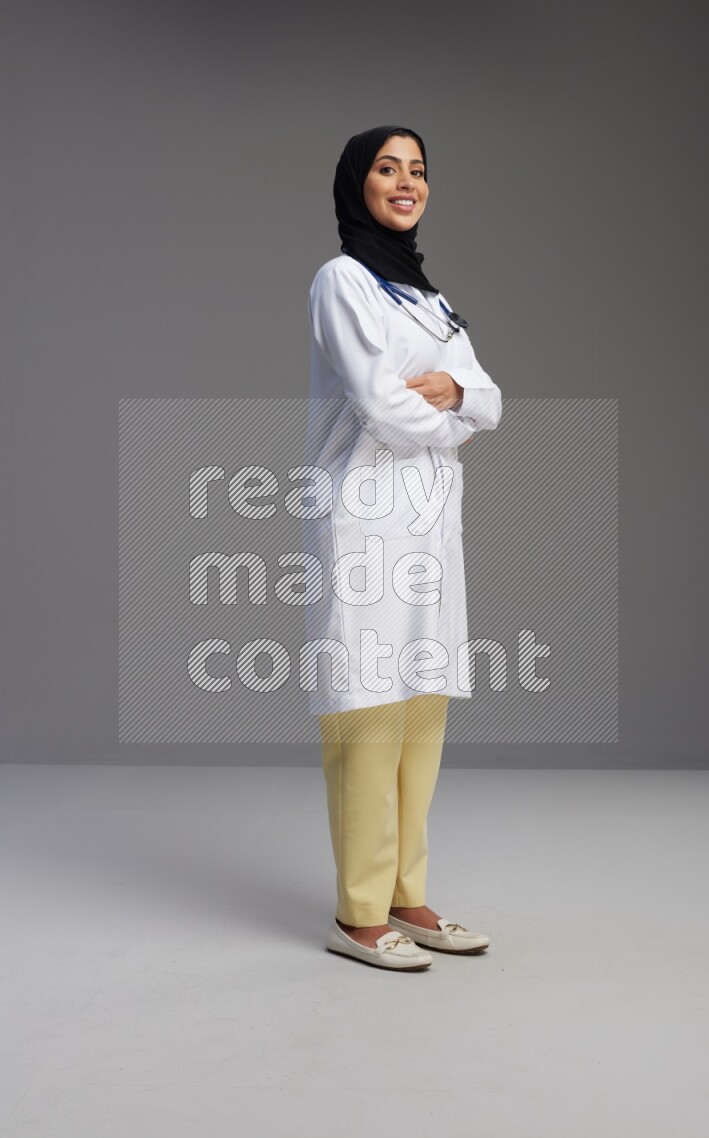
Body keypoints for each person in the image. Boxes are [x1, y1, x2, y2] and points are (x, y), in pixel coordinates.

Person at [304, 125, 503, 971]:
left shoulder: (429, 297)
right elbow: (382, 406)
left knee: (425, 698)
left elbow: (491, 398)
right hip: (363, 515)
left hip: (429, 519)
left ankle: (406, 895)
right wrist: (448, 415)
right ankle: (357, 911)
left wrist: (458, 392)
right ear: (358, 183)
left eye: (418, 170)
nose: (405, 181)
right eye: (388, 168)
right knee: (366, 704)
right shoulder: (342, 281)